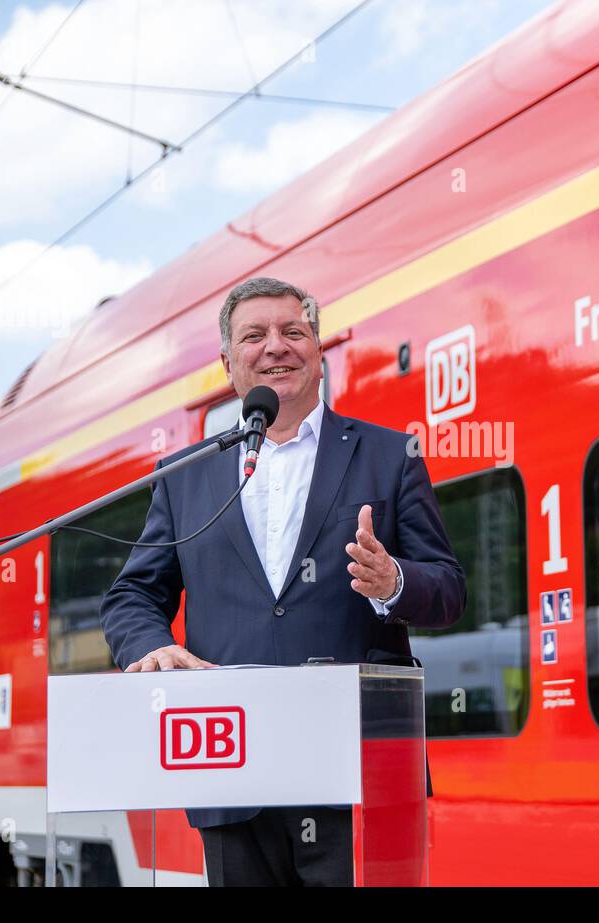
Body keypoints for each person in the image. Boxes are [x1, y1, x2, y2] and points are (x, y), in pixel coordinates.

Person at [99, 276, 466, 886]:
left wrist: (393, 580)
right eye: (255, 336)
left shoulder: (388, 455)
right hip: (230, 766)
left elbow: (449, 589)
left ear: (318, 351)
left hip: (355, 774)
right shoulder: (185, 476)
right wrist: (149, 647)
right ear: (228, 363)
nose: (276, 346)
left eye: (293, 331)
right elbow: (133, 594)